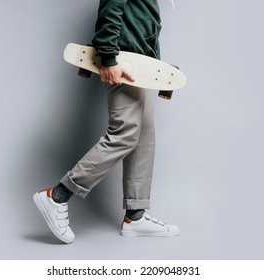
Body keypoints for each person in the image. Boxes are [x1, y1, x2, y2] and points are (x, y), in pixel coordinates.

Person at [33, 0, 180, 244]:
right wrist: (109, 58)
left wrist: (158, 70)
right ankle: (57, 196)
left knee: (143, 137)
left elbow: (144, 25)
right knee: (124, 134)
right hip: (124, 63)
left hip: (140, 69)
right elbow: (110, 9)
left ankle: (136, 216)